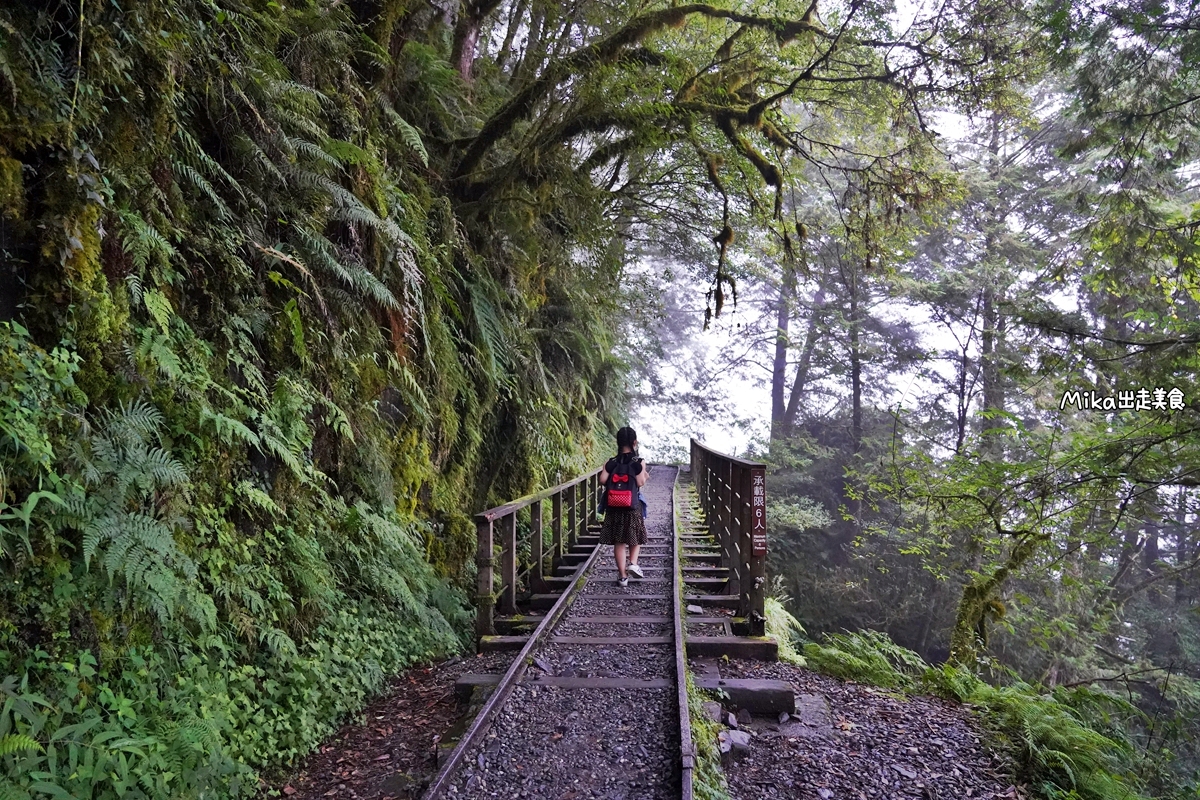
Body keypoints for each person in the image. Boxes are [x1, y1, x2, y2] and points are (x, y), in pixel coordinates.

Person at [598, 427, 649, 587]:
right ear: (634, 442)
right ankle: (633, 563)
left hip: (614, 505)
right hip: (632, 505)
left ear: (618, 442)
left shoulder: (611, 462)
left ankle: (622, 577)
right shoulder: (638, 462)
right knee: (635, 534)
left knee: (619, 541)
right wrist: (644, 475)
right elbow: (640, 482)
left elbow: (602, 480)